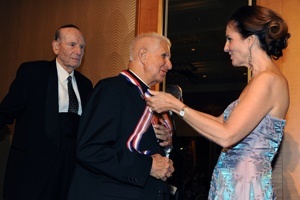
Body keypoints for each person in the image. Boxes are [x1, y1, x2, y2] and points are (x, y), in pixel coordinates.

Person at [146, 5, 290, 200]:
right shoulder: (258, 81)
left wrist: (176, 106)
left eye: (230, 39)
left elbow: (227, 136)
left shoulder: (267, 80)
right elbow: (220, 122)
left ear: (250, 40)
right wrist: (177, 107)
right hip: (234, 185)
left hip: (245, 189)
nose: (225, 47)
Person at [68, 32, 174, 200]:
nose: (169, 65)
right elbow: (90, 150)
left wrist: (165, 146)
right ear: (143, 55)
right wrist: (147, 166)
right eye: (164, 56)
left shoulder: (151, 100)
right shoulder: (111, 90)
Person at [0, 24, 93, 200]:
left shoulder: (86, 85)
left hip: (69, 173)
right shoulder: (33, 73)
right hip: (32, 170)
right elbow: (7, 110)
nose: (78, 51)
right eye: (72, 44)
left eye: (82, 47)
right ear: (56, 47)